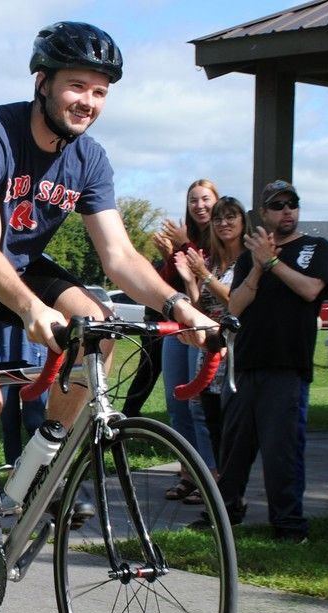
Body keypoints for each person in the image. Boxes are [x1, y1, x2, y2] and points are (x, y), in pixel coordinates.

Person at [0, 21, 215, 613]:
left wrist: (180, 306)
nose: (88, 102)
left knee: (100, 325)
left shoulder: (89, 159)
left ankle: (37, 465)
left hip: (19, 263)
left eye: (100, 92)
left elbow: (119, 258)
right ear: (42, 82)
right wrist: (29, 309)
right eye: (77, 86)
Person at [210, 180, 328, 543]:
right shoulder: (249, 257)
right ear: (264, 213)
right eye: (278, 206)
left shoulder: (315, 248)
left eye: (291, 204)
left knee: (282, 452)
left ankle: (288, 526)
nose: (287, 211)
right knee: (233, 450)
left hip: (287, 366)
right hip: (246, 364)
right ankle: (226, 515)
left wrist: (273, 262)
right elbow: (235, 306)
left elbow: (311, 290)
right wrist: (257, 266)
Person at [153, 179, 219, 501]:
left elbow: (204, 278)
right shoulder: (185, 238)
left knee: (198, 405)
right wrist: (169, 255)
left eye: (205, 199)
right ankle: (187, 474)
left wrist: (183, 244)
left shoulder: (220, 236)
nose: (199, 205)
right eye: (193, 200)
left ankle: (210, 477)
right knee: (176, 402)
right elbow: (168, 285)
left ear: (216, 201)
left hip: (204, 327)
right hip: (177, 327)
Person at [174, 196, 249, 464]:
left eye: (230, 217)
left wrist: (204, 275)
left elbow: (235, 301)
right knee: (206, 417)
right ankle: (213, 477)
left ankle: (226, 480)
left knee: (231, 422)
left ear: (243, 221)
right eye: (218, 218)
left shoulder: (249, 261)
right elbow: (199, 309)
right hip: (210, 350)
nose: (223, 223)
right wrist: (189, 280)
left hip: (235, 352)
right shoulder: (213, 262)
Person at [0, 318, 48, 466]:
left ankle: (40, 470)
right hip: (2, 349)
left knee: (34, 421)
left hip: (34, 348)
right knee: (9, 421)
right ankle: (13, 470)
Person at [120, 258, 164, 418]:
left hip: (166, 327)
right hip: (153, 328)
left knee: (147, 374)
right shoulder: (160, 265)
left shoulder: (177, 262)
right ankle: (129, 412)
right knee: (146, 374)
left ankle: (130, 411)